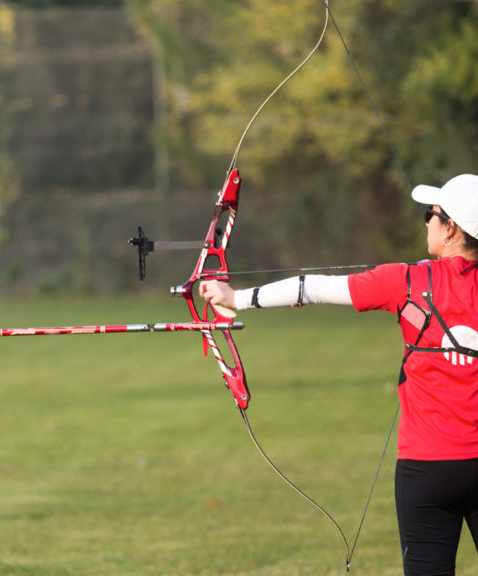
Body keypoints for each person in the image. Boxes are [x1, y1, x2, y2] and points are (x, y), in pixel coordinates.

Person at [200, 173, 478, 576]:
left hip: (427, 467)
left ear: (450, 228)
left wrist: (235, 298)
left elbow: (311, 288)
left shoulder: (408, 281)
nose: (426, 222)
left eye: (429, 215)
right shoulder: (412, 277)